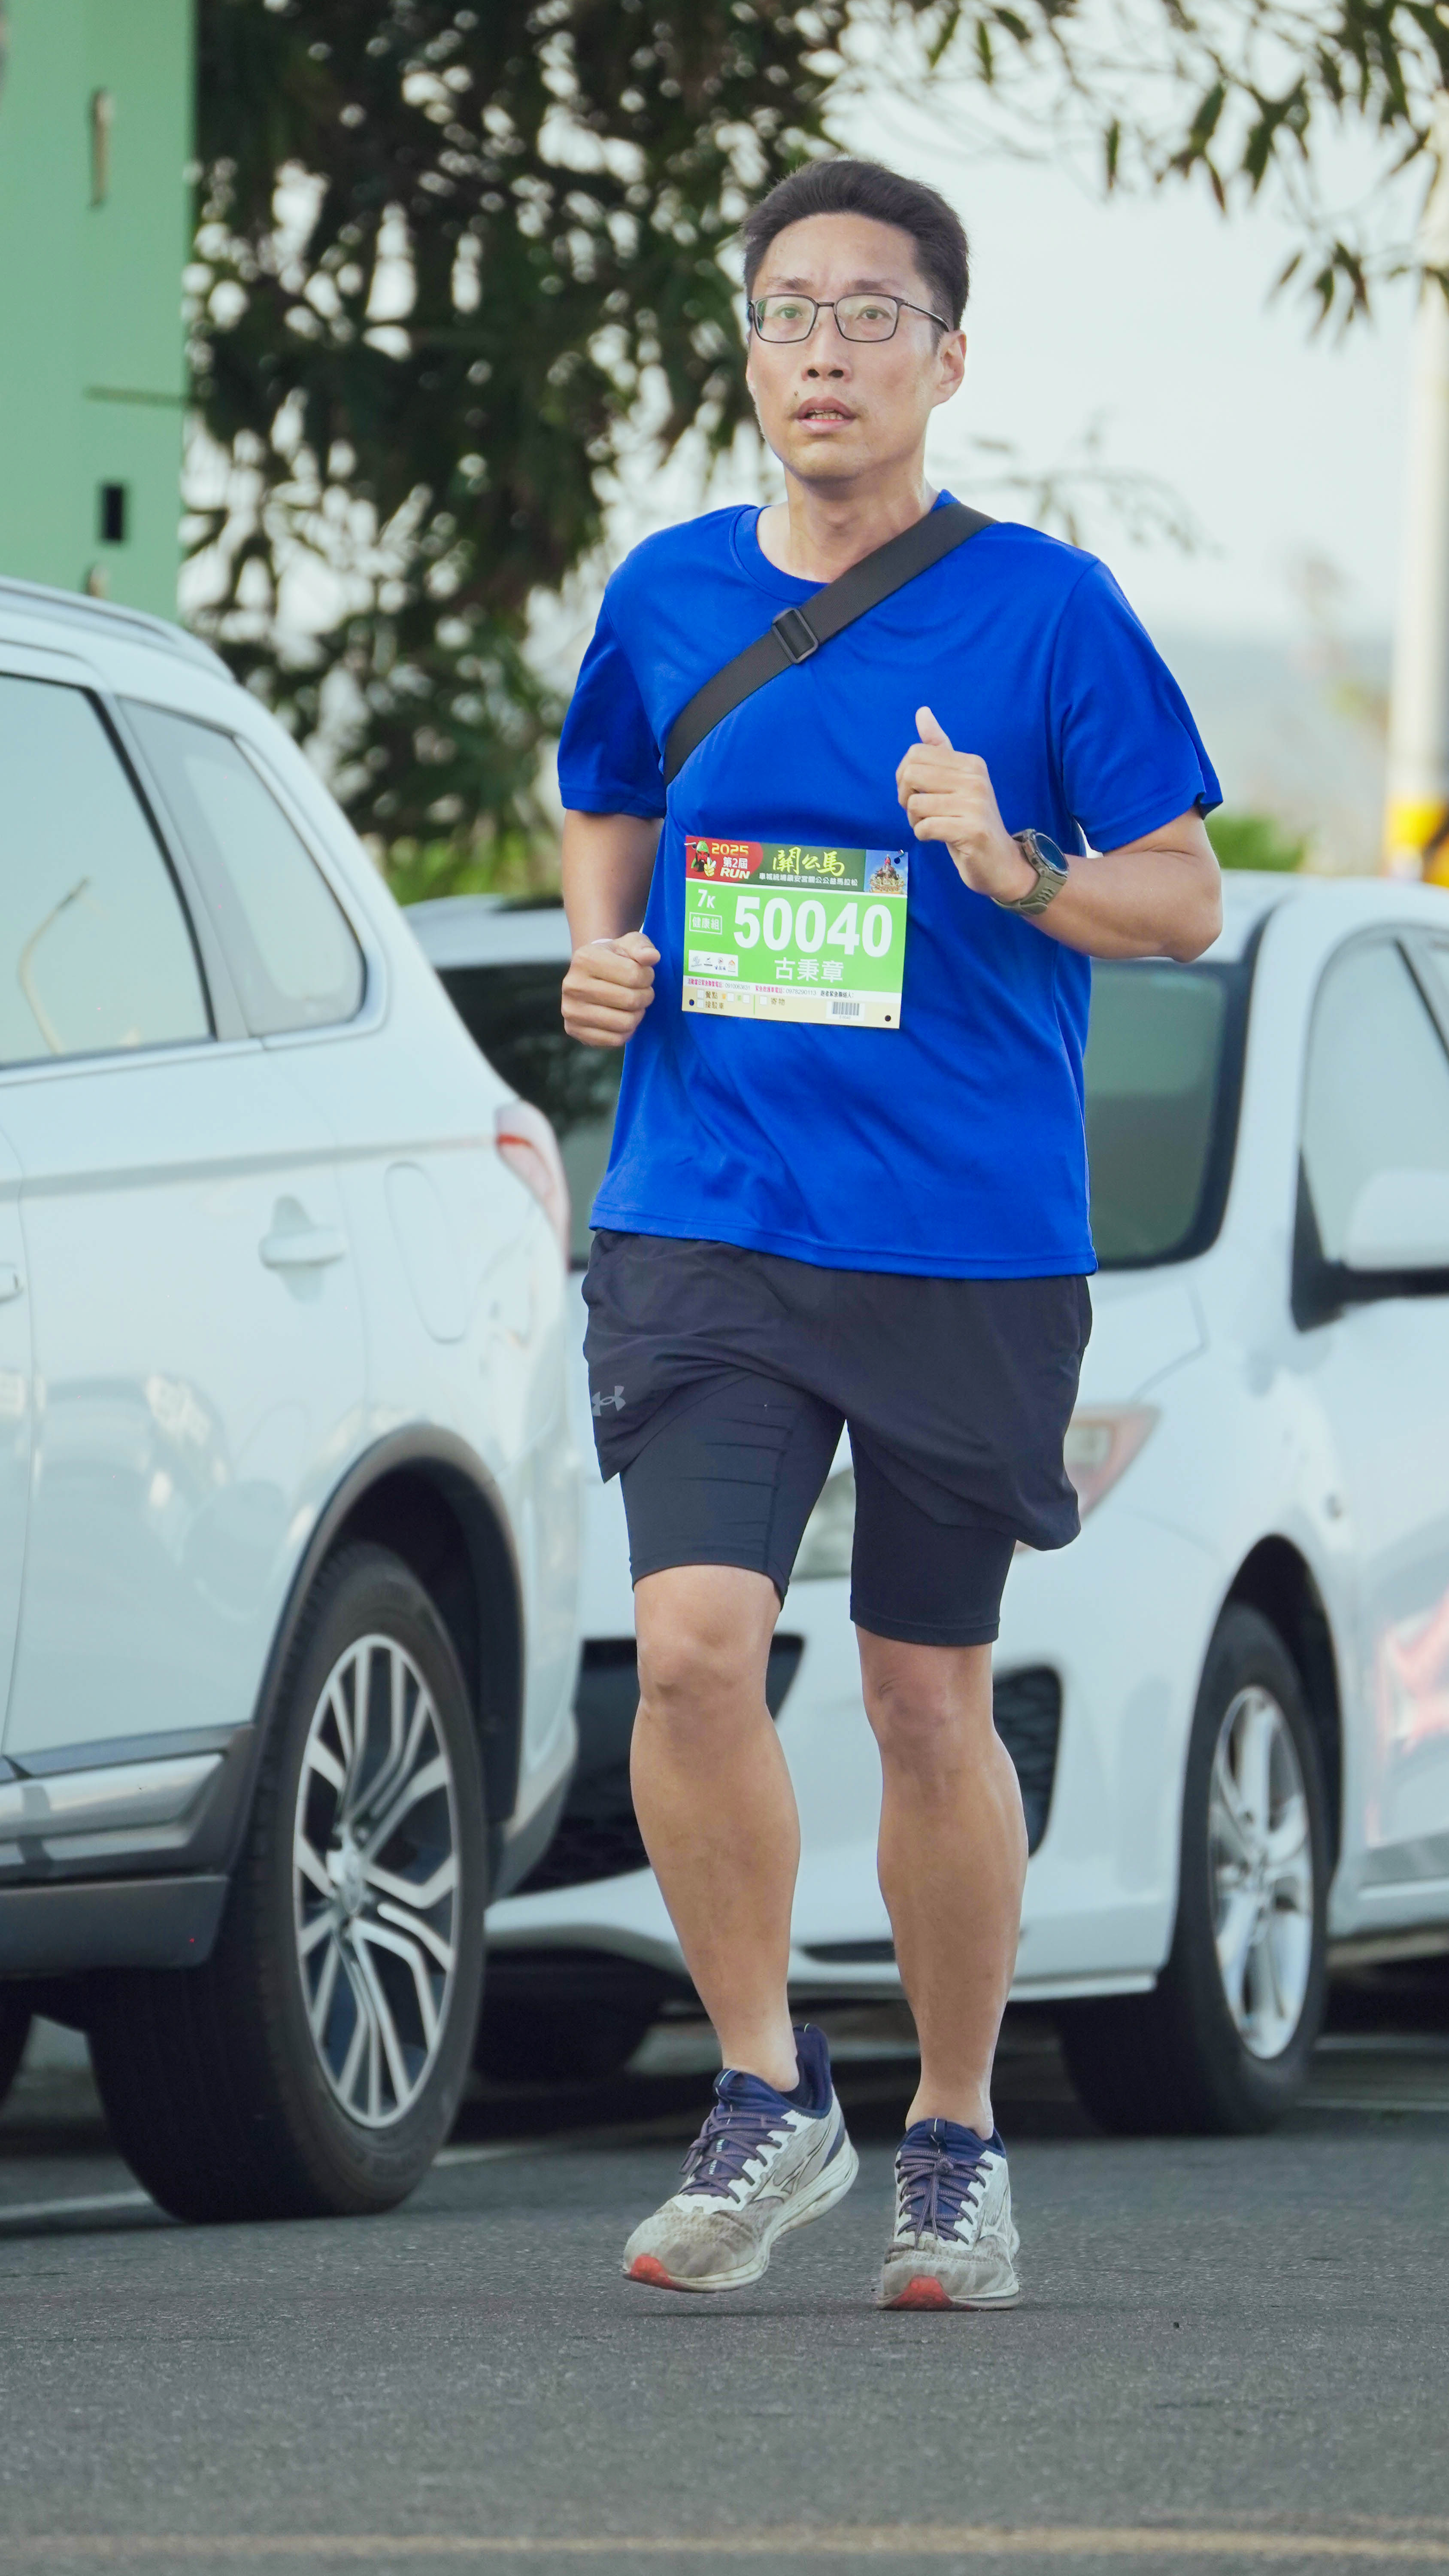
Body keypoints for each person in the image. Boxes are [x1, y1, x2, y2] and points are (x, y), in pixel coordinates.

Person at [556, 155, 1222, 2308]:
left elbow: (1182, 897)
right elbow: (608, 793)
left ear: (947, 357)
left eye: (867, 314)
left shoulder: (1045, 611)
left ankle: (953, 2132)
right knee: (692, 1647)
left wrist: (1012, 862)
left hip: (963, 1235)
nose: (820, 351)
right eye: (784, 312)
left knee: (926, 1696)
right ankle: (767, 2092)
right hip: (708, 1207)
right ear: (750, 352)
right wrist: (601, 950)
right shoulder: (668, 591)